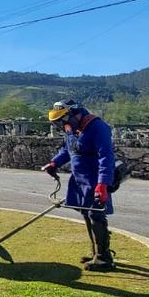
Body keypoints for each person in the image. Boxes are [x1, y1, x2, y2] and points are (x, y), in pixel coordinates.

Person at [41, 99, 116, 271]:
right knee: (86, 213)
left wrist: (103, 184)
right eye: (58, 122)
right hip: (79, 178)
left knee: (96, 215)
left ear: (74, 113)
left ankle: (105, 258)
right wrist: (54, 163)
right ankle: (96, 252)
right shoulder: (72, 128)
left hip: (94, 179)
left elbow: (106, 156)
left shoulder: (97, 127)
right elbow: (68, 149)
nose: (62, 125)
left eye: (62, 120)